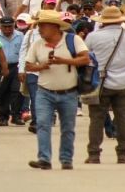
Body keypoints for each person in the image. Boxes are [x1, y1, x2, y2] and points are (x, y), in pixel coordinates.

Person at [24, 10, 90, 170]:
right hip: (44, 92)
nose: (39, 29)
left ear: (54, 27)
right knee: (43, 125)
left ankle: (66, 159)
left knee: (68, 127)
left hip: (69, 92)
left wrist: (64, 61)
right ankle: (44, 159)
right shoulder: (37, 44)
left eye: (42, 25)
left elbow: (85, 58)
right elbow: (28, 65)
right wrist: (42, 66)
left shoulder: (73, 40)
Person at [83, 6, 125, 164]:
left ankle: (94, 154)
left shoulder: (93, 37)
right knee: (123, 118)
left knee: (96, 118)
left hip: (100, 83)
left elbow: (86, 57)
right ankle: (123, 154)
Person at [0, 17, 25, 126]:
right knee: (2, 92)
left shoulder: (20, 36)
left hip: (16, 66)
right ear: (0, 26)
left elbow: (23, 51)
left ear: (14, 25)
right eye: (5, 27)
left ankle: (16, 116)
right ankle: (3, 117)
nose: (7, 29)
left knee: (17, 91)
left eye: (10, 26)